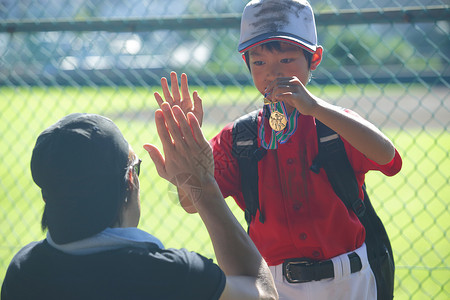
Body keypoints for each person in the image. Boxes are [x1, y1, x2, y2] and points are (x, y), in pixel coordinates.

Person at [153, 0, 402, 299]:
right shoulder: (239, 137)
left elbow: (388, 158)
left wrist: (316, 108)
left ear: (315, 58)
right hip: (272, 284)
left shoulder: (334, 124)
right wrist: (187, 160)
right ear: (247, 64)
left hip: (348, 279)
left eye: (287, 60)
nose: (272, 72)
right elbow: (192, 203)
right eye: (259, 63)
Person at [1, 110, 278, 300]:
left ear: (47, 197)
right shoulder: (173, 274)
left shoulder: (23, 271)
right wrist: (203, 186)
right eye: (136, 167)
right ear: (130, 180)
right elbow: (262, 293)